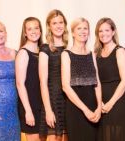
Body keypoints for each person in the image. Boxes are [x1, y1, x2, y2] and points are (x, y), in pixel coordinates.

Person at [94, 17, 125, 141]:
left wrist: (110, 103)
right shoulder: (96, 53)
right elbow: (95, 81)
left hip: (118, 102)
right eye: (100, 31)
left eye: (107, 30)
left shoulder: (120, 51)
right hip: (101, 103)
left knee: (117, 136)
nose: (104, 34)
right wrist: (100, 102)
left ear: (113, 32)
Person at [61, 17, 102, 141]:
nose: (83, 31)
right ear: (73, 33)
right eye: (79, 28)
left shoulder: (92, 54)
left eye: (85, 28)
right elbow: (66, 87)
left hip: (93, 107)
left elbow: (97, 82)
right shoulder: (66, 54)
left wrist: (99, 107)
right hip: (76, 108)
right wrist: (85, 110)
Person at [39, 9, 69, 141]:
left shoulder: (70, 47)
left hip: (69, 101)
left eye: (61, 22)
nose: (58, 26)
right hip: (53, 101)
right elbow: (43, 82)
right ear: (49, 27)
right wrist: (48, 110)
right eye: (54, 23)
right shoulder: (45, 49)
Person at [16, 17, 44, 141]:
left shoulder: (43, 51)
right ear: (25, 33)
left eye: (36, 28)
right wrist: (28, 111)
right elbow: (20, 84)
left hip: (42, 104)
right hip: (30, 105)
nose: (33, 31)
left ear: (41, 30)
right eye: (29, 29)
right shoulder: (23, 53)